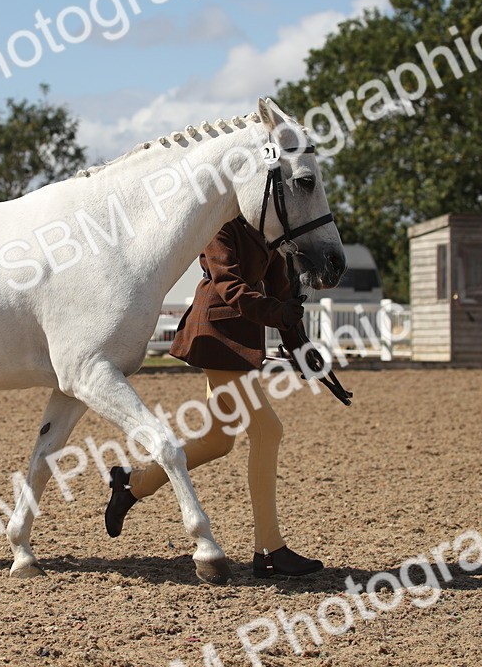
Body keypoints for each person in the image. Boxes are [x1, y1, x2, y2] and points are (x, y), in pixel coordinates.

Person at [104, 216, 323, 579]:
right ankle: (269, 550)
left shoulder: (268, 230)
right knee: (268, 431)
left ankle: (133, 484)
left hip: (240, 343)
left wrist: (300, 346)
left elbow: (281, 291)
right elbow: (229, 286)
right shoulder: (220, 224)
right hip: (217, 336)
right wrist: (276, 314)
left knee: (217, 441)